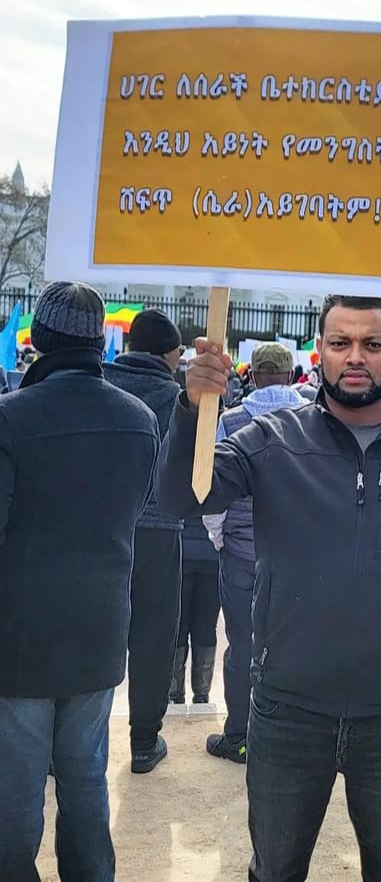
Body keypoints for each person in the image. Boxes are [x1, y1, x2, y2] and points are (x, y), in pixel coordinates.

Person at [156, 294, 381, 882]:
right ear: (318, 350)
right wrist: (192, 408)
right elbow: (182, 496)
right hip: (288, 710)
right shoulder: (270, 439)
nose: (355, 357)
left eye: (372, 344)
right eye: (340, 342)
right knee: (275, 869)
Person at [0, 282, 159, 881]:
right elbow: (139, 507)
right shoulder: (139, 419)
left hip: (21, 631)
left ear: (39, 340)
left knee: (15, 790)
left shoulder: (11, 417)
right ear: (99, 340)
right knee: (85, 779)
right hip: (99, 624)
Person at [202, 342, 308, 763]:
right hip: (301, 551)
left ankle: (240, 735)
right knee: (297, 641)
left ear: (254, 375)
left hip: (244, 550)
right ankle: (290, 734)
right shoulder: (312, 419)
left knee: (242, 643)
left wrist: (219, 537)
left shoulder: (232, 419)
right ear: (289, 375)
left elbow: (213, 491)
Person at [104, 308, 184, 774]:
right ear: (165, 354)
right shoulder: (176, 398)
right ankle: (143, 740)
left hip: (99, 522)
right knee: (154, 635)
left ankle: (64, 737)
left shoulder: (101, 384)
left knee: (87, 622)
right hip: (158, 526)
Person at [168, 514, 221, 705]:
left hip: (180, 551)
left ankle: (174, 695)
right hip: (212, 553)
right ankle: (202, 694)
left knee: (178, 627)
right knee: (206, 629)